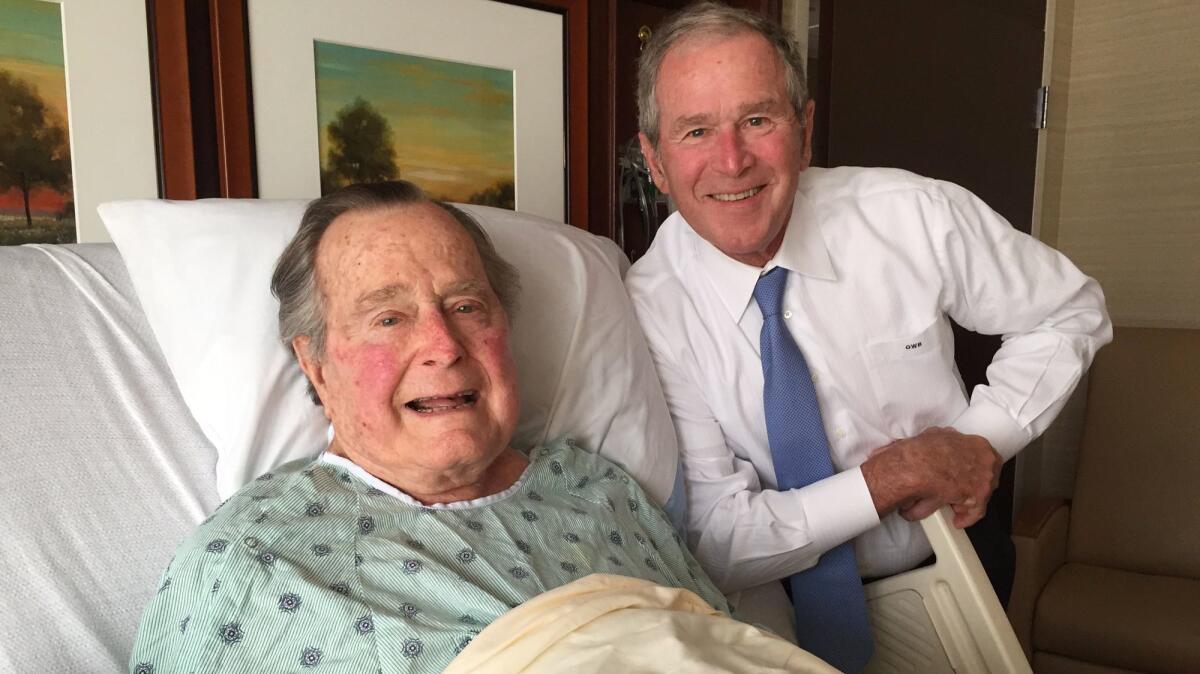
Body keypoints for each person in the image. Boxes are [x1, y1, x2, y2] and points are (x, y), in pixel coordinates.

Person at [624, 3, 1112, 671]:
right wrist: (887, 479)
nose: (731, 160)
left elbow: (1070, 310)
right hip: (773, 614)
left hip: (955, 564)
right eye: (696, 131)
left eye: (757, 119)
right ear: (654, 159)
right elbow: (717, 535)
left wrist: (979, 440)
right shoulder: (649, 304)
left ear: (806, 129)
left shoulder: (909, 215)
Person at [127, 181, 732, 673]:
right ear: (316, 366)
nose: (443, 346)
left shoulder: (599, 491)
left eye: (467, 307)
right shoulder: (250, 565)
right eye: (388, 318)